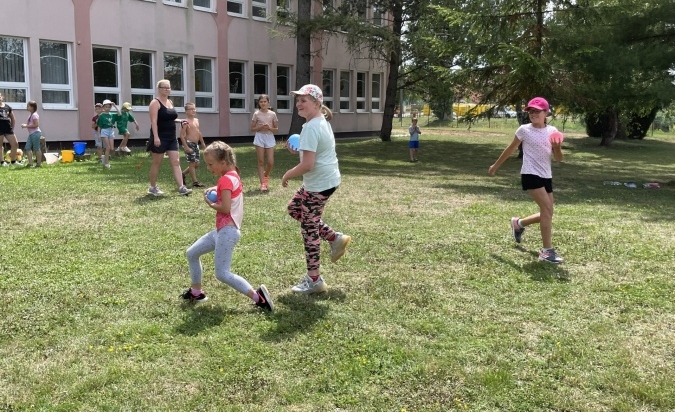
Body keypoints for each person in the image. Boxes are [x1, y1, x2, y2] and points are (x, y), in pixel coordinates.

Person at [182, 141, 274, 311]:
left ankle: (259, 297)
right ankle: (196, 292)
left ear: (223, 162)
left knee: (222, 274)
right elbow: (229, 190)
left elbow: (225, 208)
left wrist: (209, 203)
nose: (208, 168)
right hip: (222, 231)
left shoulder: (225, 179)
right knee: (192, 253)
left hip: (227, 232)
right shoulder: (234, 174)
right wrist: (215, 189)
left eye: (210, 164)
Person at [282, 84, 352, 294]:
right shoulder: (320, 121)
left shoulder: (312, 126)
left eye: (304, 100)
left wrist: (287, 174)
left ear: (317, 103)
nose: (299, 104)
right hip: (325, 180)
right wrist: (301, 151)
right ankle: (334, 237)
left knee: (309, 230)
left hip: (318, 185)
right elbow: (312, 155)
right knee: (295, 209)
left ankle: (314, 281)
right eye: (298, 100)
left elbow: (308, 165)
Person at [488, 97, 564, 264]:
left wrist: (557, 147)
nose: (533, 114)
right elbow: (510, 149)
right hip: (530, 173)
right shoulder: (524, 130)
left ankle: (519, 223)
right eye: (531, 111)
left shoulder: (552, 130)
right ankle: (546, 251)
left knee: (548, 212)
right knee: (546, 209)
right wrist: (495, 165)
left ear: (546, 113)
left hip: (546, 175)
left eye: (537, 111)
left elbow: (558, 158)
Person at [147, 79, 193, 196]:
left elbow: (171, 118)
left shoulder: (170, 102)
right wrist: (156, 137)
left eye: (169, 87)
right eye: (164, 87)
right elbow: (153, 121)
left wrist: (181, 121)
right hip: (160, 137)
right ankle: (152, 187)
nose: (167, 89)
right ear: (159, 89)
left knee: (176, 161)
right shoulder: (155, 103)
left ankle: (181, 187)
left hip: (172, 137)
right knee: (157, 162)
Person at [250, 94, 279, 192]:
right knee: (261, 161)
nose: (263, 103)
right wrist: (260, 127)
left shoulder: (272, 114)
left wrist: (269, 128)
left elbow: (276, 129)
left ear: (268, 103)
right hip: (259, 137)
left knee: (270, 162)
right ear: (259, 103)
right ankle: (263, 183)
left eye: (264, 101)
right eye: (261, 102)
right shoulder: (256, 114)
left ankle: (265, 174)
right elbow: (252, 129)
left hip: (269, 137)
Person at [179, 102, 207, 188]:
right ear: (186, 111)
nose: (193, 110)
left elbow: (198, 132)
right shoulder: (185, 122)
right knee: (192, 163)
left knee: (196, 164)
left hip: (196, 144)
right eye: (191, 109)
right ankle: (195, 182)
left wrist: (202, 142)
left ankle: (182, 174)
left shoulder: (196, 121)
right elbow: (181, 135)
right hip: (189, 143)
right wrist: (186, 146)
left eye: (194, 108)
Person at [96, 99, 121, 169]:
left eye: (109, 107)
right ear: (103, 107)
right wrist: (99, 134)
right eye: (106, 107)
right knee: (108, 148)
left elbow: (120, 114)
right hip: (104, 131)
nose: (107, 108)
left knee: (112, 148)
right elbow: (99, 126)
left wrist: (115, 106)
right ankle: (106, 163)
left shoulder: (112, 115)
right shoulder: (101, 116)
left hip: (111, 130)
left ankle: (104, 158)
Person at [21, 101, 42, 168]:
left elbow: (36, 125)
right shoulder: (31, 115)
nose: (27, 107)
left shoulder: (34, 115)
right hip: (31, 134)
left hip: (35, 133)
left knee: (36, 148)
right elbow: (31, 124)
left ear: (32, 107)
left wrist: (26, 126)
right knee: (27, 148)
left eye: (28, 106)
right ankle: (30, 164)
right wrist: (25, 125)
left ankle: (39, 164)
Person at [0, 92, 19, 167]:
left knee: (15, 144)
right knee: (0, 146)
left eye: (0, 96)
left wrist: (12, 127)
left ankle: (13, 161)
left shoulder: (7, 107)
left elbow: (13, 118)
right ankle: (2, 162)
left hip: (8, 129)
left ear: (2, 97)